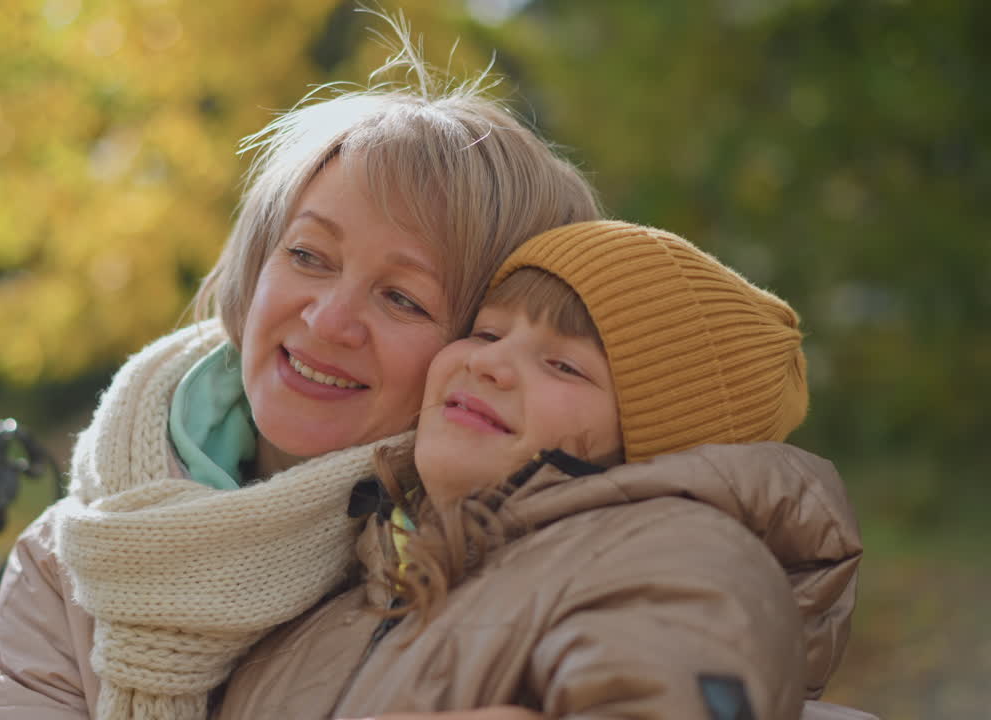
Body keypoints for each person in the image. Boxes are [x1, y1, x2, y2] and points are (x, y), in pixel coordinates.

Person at [0, 27, 604, 720]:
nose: (327, 322)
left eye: (402, 298)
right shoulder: (79, 549)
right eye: (310, 256)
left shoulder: (517, 569)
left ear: (481, 348)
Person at [215, 221, 873, 720]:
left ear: (655, 443)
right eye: (488, 333)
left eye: (564, 365)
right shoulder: (347, 584)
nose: (489, 364)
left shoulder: (678, 559)